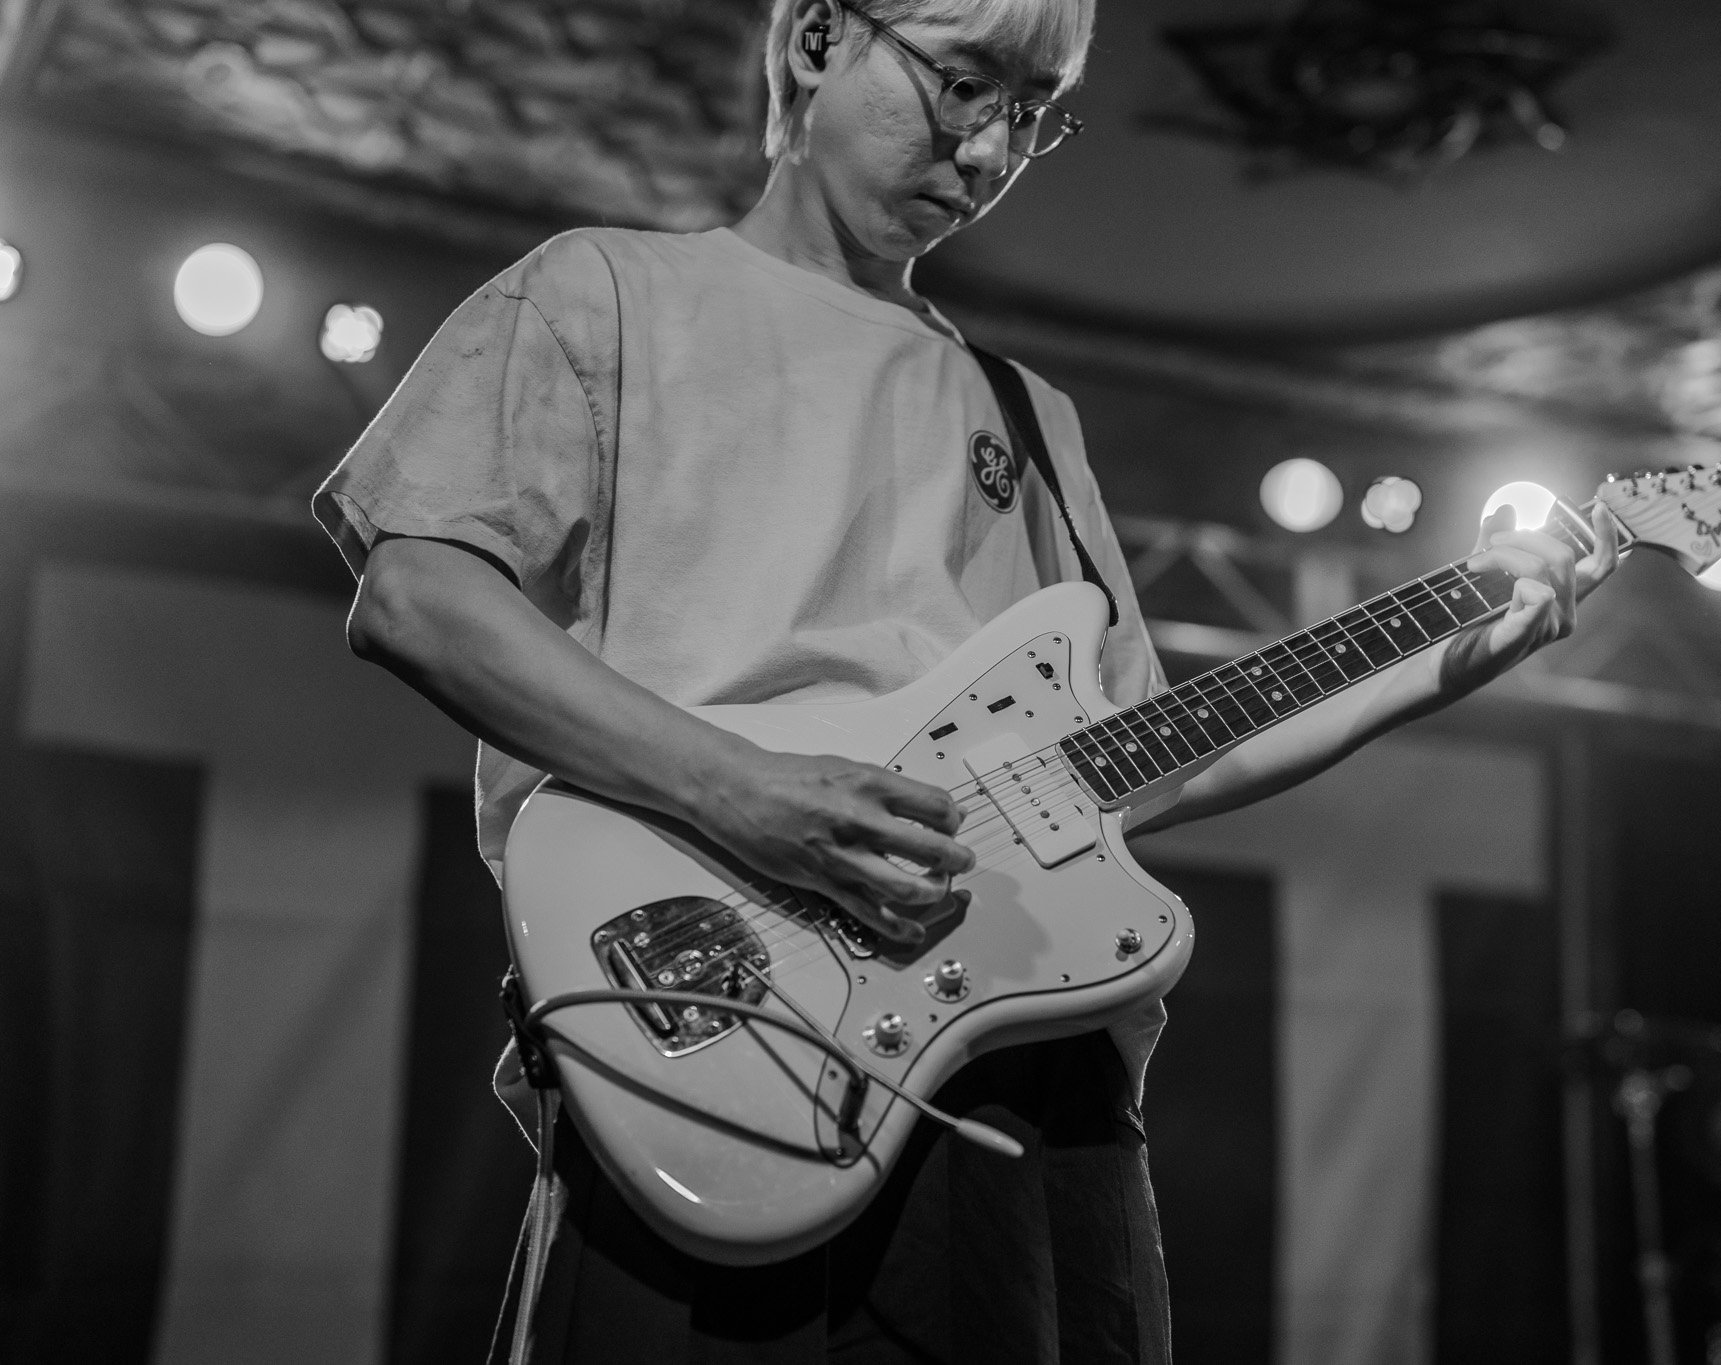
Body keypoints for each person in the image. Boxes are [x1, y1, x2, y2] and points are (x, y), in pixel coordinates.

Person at [316, 0, 1617, 1359]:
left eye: (1033, 114)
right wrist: (743, 790)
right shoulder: (601, 291)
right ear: (819, 38)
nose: (990, 151)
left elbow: (1141, 755)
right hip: (718, 1038)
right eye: (964, 84)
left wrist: (1449, 658)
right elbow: (416, 596)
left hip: (1019, 1100)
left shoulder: (1028, 418)